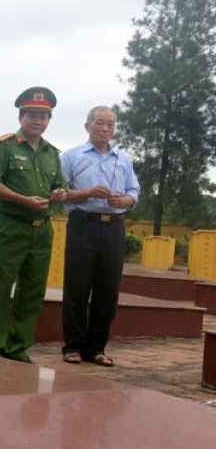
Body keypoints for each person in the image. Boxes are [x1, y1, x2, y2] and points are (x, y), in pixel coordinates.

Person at [0, 86, 67, 363]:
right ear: (21, 117)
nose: (38, 121)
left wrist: (60, 194)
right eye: (32, 115)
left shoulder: (52, 153)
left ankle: (17, 346)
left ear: (49, 121)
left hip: (42, 230)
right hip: (10, 225)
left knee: (33, 289)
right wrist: (23, 200)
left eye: (44, 117)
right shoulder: (4, 145)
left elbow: (60, 186)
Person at [60, 106, 140, 367]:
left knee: (107, 290)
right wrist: (89, 193)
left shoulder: (123, 159)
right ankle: (72, 346)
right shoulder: (72, 156)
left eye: (110, 124)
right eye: (100, 123)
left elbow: (134, 192)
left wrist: (125, 200)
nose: (106, 128)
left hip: (114, 227)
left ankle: (96, 348)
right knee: (77, 287)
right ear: (87, 126)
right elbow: (60, 193)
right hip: (83, 224)